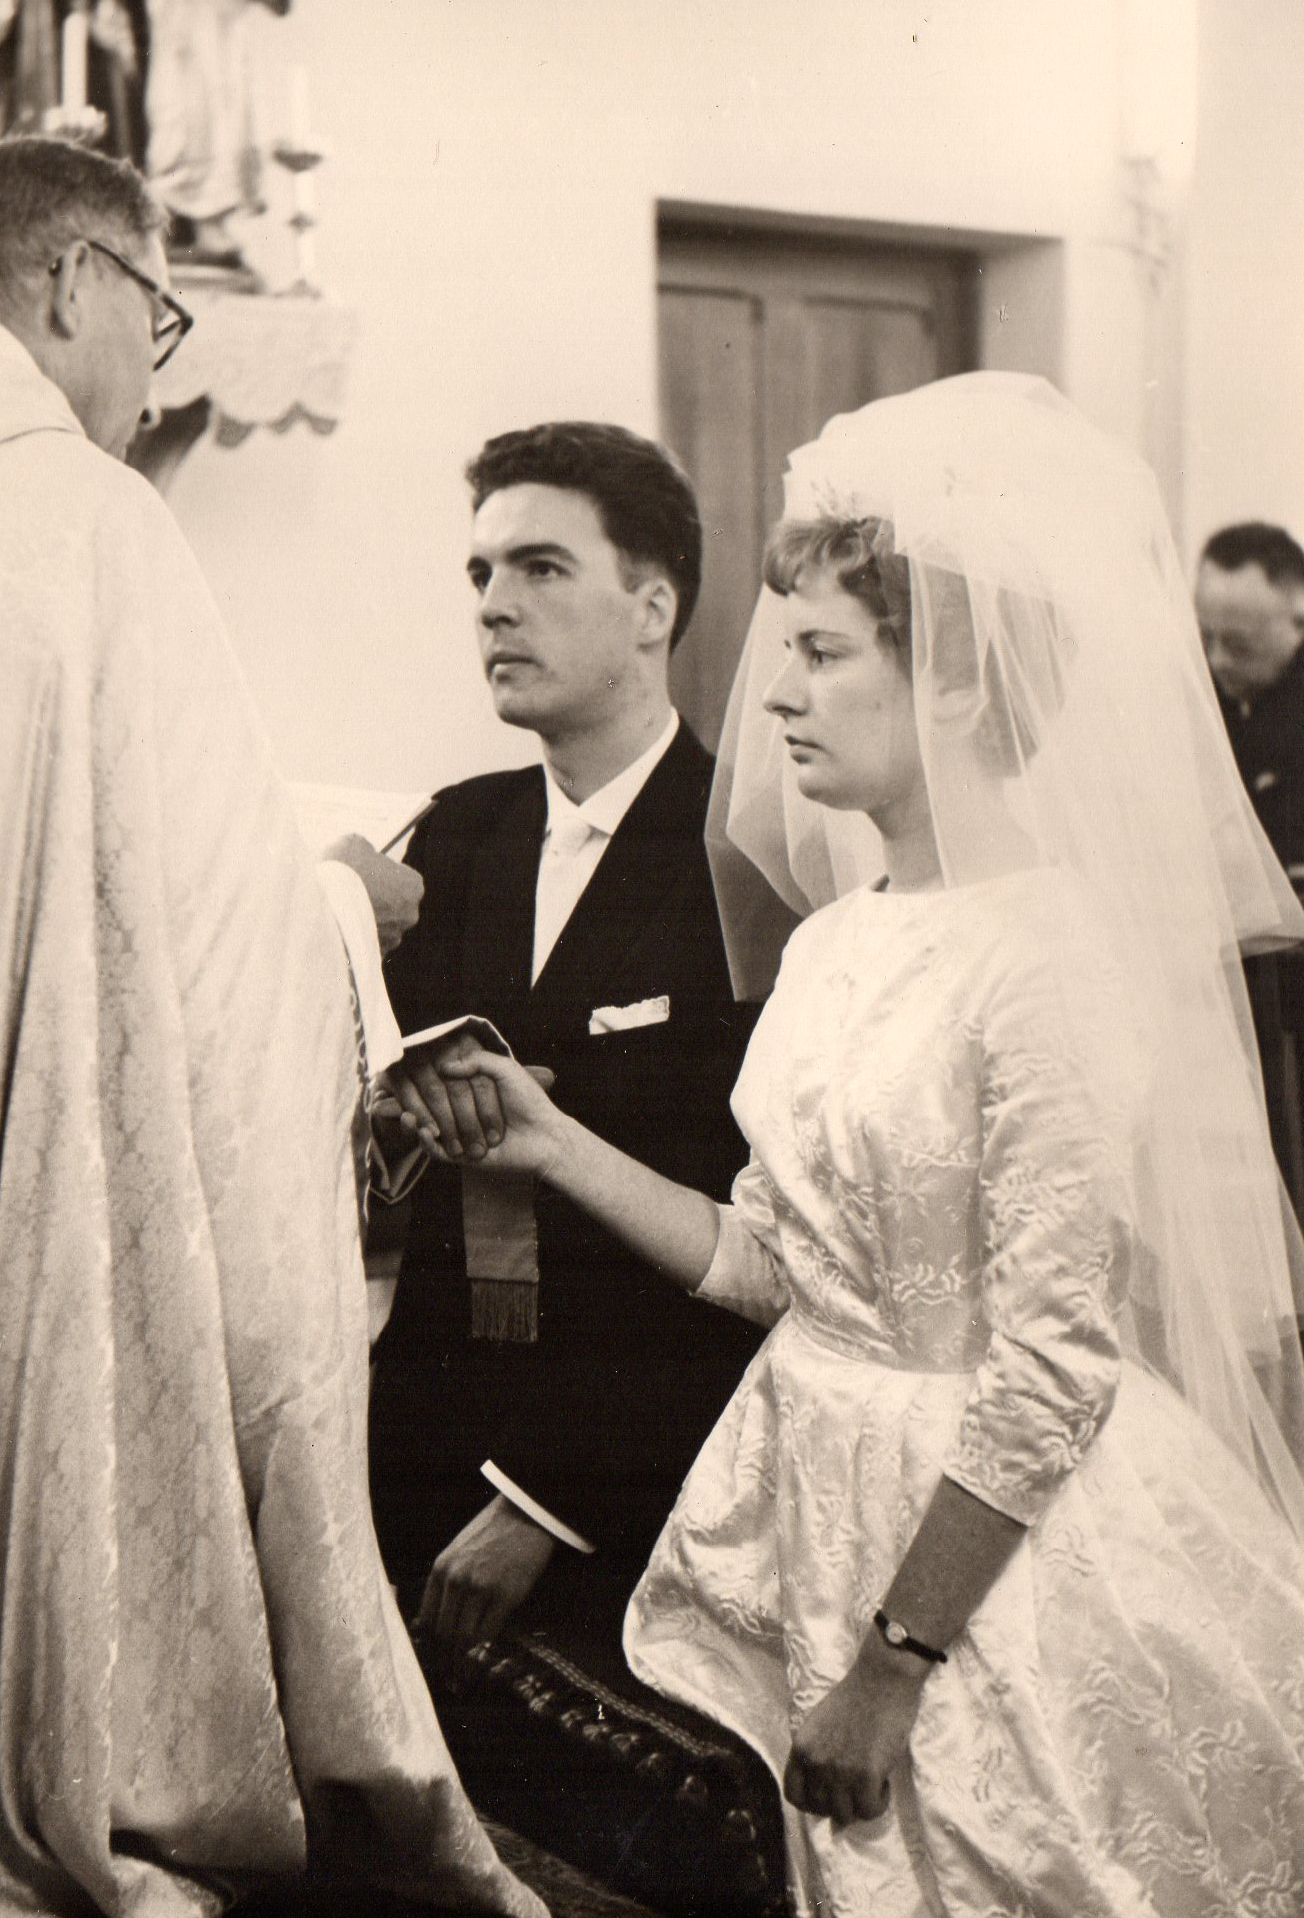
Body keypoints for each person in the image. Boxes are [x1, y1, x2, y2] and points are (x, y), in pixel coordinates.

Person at [390, 376, 1304, 1916]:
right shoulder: (831, 941)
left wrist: (892, 1665)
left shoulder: (1047, 959)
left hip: (981, 1562)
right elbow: (772, 1264)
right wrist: (547, 1140)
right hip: (813, 1505)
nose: (777, 696)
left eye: (820, 654)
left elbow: (1051, 1366)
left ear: (949, 681)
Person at [0, 136, 541, 1918]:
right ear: (73, 282)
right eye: (160, 318)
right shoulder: (82, 514)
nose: (150, 377)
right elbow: (197, 942)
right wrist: (340, 903)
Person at [369, 422, 760, 1678]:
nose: (494, 606)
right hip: (416, 1442)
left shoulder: (743, 861)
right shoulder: (450, 834)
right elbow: (382, 1134)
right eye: (481, 573)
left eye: (541, 568)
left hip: (630, 1482)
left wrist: (551, 1500)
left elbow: (762, 1233)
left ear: (653, 608)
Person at [1195, 520, 1304, 895]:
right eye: (1206, 638)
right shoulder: (1205, 698)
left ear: (1299, 621)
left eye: (1239, 645)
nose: (1217, 660)